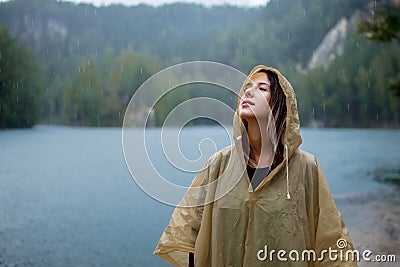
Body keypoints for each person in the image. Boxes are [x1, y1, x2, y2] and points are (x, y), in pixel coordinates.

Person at [154, 65, 357, 266]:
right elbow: (187, 232)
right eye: (246, 88)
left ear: (278, 103)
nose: (249, 91)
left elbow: (331, 240)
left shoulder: (306, 168)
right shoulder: (218, 165)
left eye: (261, 88)